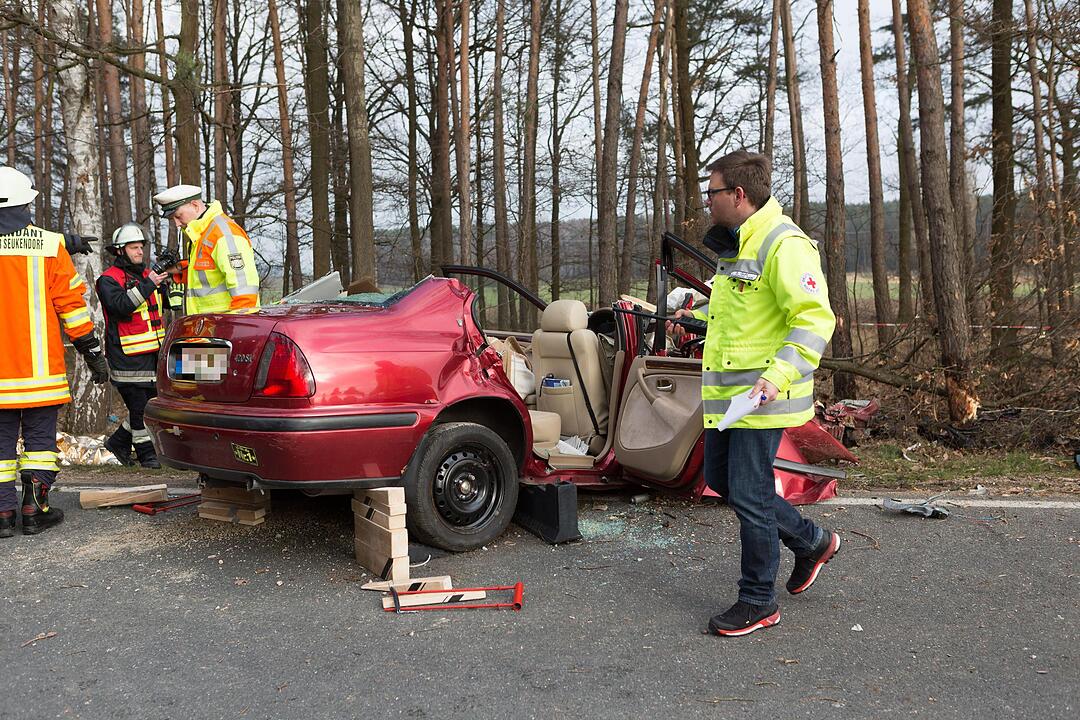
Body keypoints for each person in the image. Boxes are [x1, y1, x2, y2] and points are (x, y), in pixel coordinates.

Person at [668, 150, 839, 636]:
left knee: (750, 493)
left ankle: (758, 599)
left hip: (763, 398)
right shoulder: (739, 245)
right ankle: (811, 542)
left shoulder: (784, 245)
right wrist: (695, 319)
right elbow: (741, 315)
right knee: (725, 480)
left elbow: (814, 319)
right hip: (732, 400)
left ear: (737, 194)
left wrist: (775, 378)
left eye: (713, 191)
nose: (707, 200)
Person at [0, 166, 109, 537]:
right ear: (25, 205)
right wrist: (92, 352)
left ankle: (2, 514)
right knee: (40, 443)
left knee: (0, 447)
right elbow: (72, 308)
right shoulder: (49, 247)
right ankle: (34, 510)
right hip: (41, 373)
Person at [96, 223, 172, 468]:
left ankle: (118, 442)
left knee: (149, 405)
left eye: (141, 247)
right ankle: (147, 454)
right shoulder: (107, 280)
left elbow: (166, 307)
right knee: (140, 407)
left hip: (153, 353)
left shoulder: (149, 275)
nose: (140, 252)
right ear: (120, 251)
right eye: (134, 247)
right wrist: (149, 283)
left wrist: (169, 285)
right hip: (126, 356)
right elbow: (121, 306)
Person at [151, 184, 260, 313]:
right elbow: (208, 274)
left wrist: (238, 330)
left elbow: (245, 292)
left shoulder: (224, 234)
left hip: (224, 327)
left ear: (195, 205)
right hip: (209, 326)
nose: (177, 224)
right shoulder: (202, 233)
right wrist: (179, 269)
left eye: (178, 216)